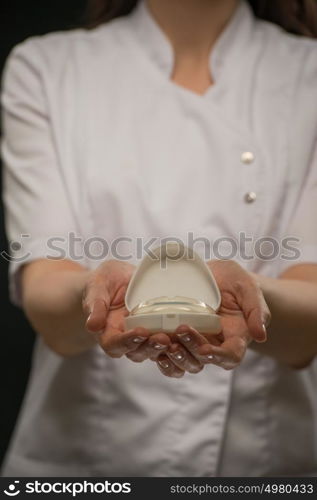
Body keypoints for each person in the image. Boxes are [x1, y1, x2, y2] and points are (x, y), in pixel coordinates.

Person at [1, 0, 317, 477]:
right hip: (86, 465)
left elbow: (308, 321)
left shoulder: (308, 73)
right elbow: (48, 298)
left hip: (265, 465)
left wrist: (251, 300)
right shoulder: (47, 69)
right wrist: (95, 293)